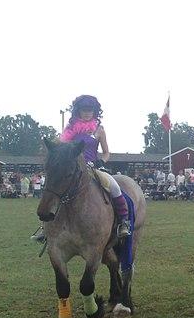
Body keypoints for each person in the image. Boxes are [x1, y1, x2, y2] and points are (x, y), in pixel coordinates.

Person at [31, 95, 131, 244]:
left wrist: (101, 160)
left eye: (90, 110)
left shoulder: (99, 130)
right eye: (84, 110)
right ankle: (46, 228)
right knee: (55, 188)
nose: (87, 113)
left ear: (95, 111)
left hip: (92, 166)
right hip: (72, 167)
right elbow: (61, 147)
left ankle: (123, 222)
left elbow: (106, 152)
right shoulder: (70, 128)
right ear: (78, 111)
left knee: (114, 186)